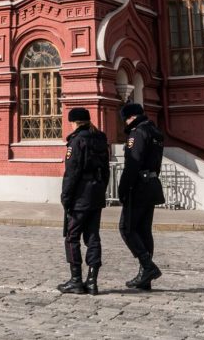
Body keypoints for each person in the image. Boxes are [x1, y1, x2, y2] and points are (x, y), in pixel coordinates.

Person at [58, 106, 110, 296]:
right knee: (93, 237)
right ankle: (92, 281)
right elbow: (106, 170)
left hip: (80, 195)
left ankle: (76, 280)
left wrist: (66, 197)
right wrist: (101, 189)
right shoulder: (100, 139)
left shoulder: (76, 141)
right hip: (96, 194)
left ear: (74, 122)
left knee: (72, 237)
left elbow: (72, 173)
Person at [117, 101, 165, 290]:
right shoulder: (155, 132)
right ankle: (145, 277)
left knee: (126, 228)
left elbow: (133, 164)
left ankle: (148, 267)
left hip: (138, 186)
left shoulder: (137, 133)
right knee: (144, 230)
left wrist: (123, 188)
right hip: (152, 184)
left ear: (130, 117)